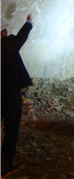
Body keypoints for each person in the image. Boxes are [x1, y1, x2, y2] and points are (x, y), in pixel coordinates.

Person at [1, 15, 33, 176]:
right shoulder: (8, 44)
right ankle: (5, 164)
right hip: (10, 96)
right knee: (11, 129)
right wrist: (28, 22)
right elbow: (22, 37)